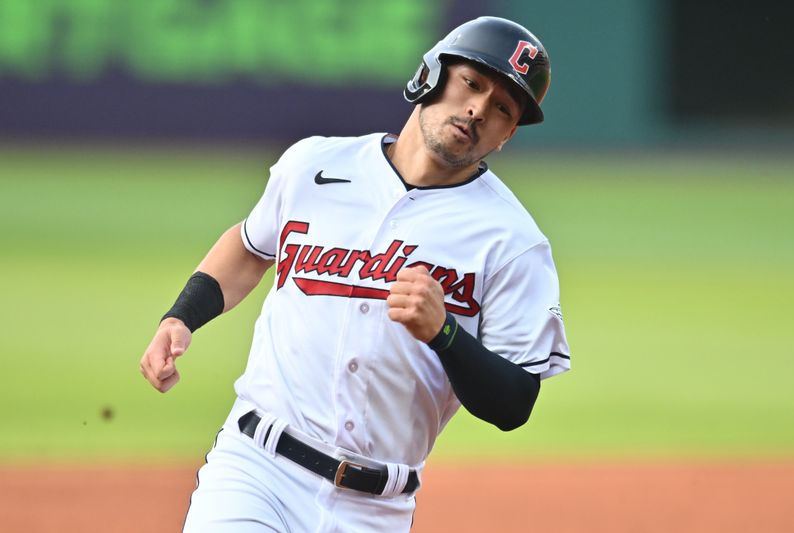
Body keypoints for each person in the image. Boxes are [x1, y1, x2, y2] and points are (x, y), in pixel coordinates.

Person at [139, 15, 570, 532]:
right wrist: (181, 317)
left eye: (503, 108)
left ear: (506, 135)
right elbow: (251, 245)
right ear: (431, 75)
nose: (478, 109)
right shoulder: (313, 166)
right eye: (471, 83)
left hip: (377, 509)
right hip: (257, 471)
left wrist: (445, 332)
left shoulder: (513, 242)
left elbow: (514, 402)